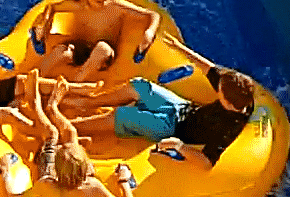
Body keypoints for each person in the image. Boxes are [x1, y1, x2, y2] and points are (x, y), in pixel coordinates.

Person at [64, 66, 258, 168]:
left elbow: (207, 163)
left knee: (125, 115)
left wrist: (179, 146)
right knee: (140, 85)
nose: (218, 92)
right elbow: (211, 70)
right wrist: (180, 48)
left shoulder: (227, 129)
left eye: (220, 93)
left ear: (230, 105)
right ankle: (88, 103)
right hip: (182, 108)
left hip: (172, 129)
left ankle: (70, 126)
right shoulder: (243, 98)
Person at [23, 72, 139, 197]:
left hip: (54, 193)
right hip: (71, 189)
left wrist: (5, 172)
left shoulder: (46, 184)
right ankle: (46, 106)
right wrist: (123, 181)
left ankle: (41, 105)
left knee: (54, 133)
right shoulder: (94, 187)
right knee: (65, 134)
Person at [30, 0, 175, 79]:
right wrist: (44, 25)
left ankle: (73, 85)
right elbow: (51, 7)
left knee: (102, 48)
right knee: (61, 51)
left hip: (105, 55)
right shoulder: (77, 5)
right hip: (81, 50)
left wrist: (149, 33)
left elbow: (152, 15)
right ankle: (34, 80)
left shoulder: (116, 6)